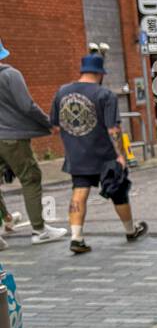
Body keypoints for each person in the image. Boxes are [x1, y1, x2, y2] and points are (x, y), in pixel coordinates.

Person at [49, 54, 147, 255]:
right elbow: (113, 130)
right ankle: (130, 230)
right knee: (118, 191)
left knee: (79, 191)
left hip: (77, 154)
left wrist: (74, 143)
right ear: (100, 73)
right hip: (105, 155)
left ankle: (76, 237)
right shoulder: (105, 95)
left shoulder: (62, 92)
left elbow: (56, 126)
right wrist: (121, 155)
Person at [0, 38, 68, 248]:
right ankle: (39, 230)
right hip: (12, 138)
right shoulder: (11, 75)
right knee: (30, 178)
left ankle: (6, 220)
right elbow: (27, 106)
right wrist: (49, 123)